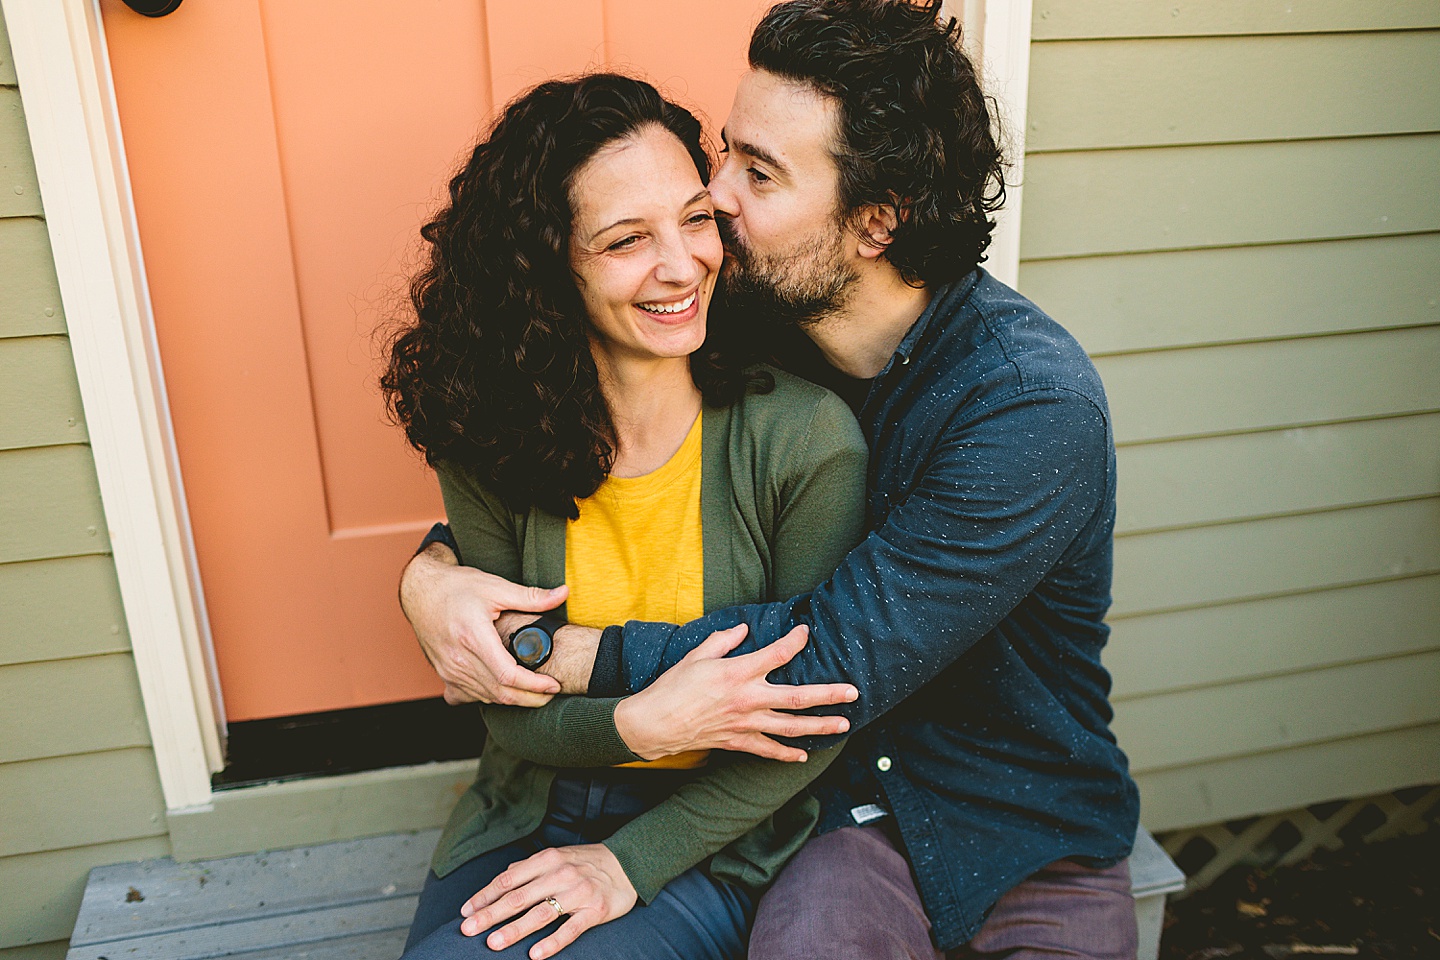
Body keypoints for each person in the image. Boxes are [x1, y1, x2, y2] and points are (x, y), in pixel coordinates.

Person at [401, 1, 1143, 957]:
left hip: (1011, 816)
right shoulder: (729, 312)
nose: (713, 199)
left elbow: (823, 659)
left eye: (757, 173)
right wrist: (430, 576)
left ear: (875, 222)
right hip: (837, 815)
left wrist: (545, 653)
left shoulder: (1027, 409)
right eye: (726, 152)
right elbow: (557, 417)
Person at [380, 74, 869, 960]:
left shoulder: (802, 442)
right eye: (624, 241)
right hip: (529, 799)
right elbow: (506, 704)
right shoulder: (488, 435)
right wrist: (640, 726)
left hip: (707, 834)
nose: (681, 265)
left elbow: (811, 721)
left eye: (694, 218)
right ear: (547, 265)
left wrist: (625, 863)